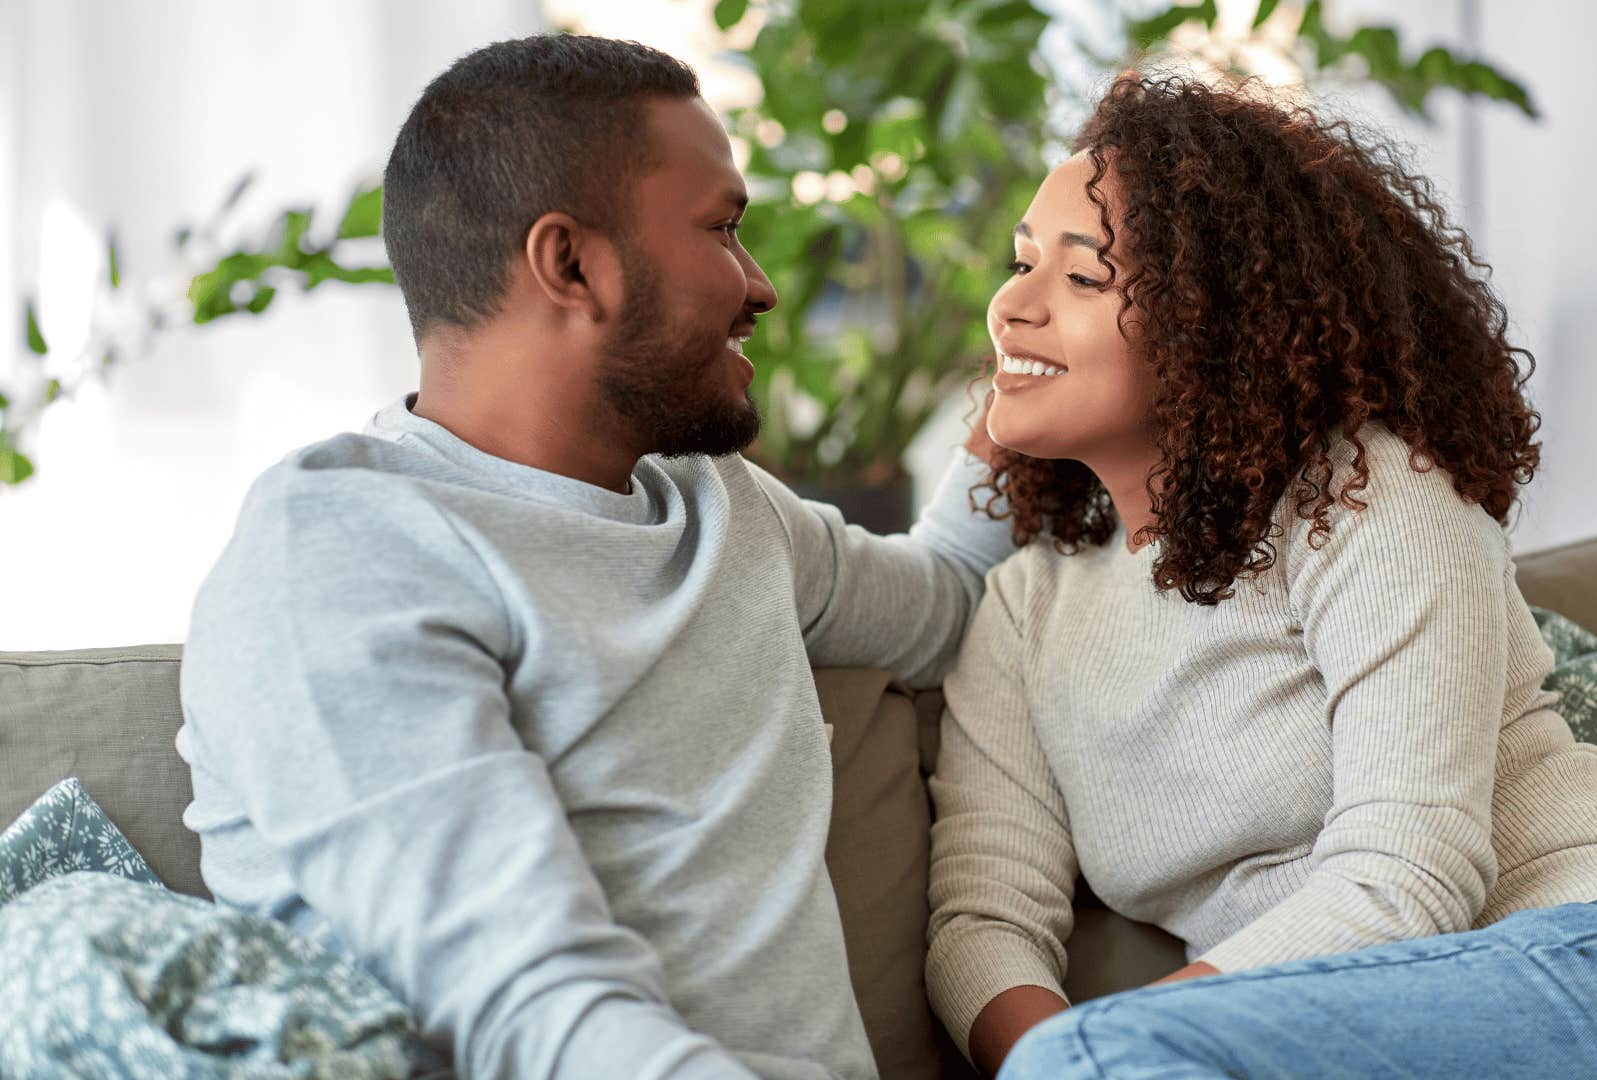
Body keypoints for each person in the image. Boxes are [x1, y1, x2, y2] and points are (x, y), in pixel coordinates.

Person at [924, 72, 1597, 1079]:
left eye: (1083, 279)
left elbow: (1409, 879)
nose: (1012, 309)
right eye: (1022, 264)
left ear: (1215, 326)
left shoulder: (1366, 496)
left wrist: (1106, 1051)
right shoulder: (1025, 606)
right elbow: (983, 916)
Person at [176, 34, 1010, 1080]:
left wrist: (1022, 392)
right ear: (569, 262)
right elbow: (533, 1011)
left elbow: (948, 602)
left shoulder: (722, 507)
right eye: (723, 229)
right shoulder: (342, 551)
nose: (763, 287)